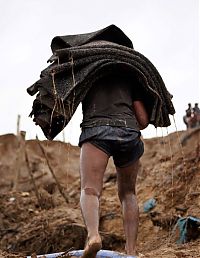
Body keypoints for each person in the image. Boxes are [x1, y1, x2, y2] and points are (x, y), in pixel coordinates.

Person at [78, 68, 149, 258]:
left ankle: (93, 237)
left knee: (90, 190)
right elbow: (143, 120)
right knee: (128, 193)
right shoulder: (130, 76)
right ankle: (131, 251)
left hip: (95, 130)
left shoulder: (86, 72)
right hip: (128, 132)